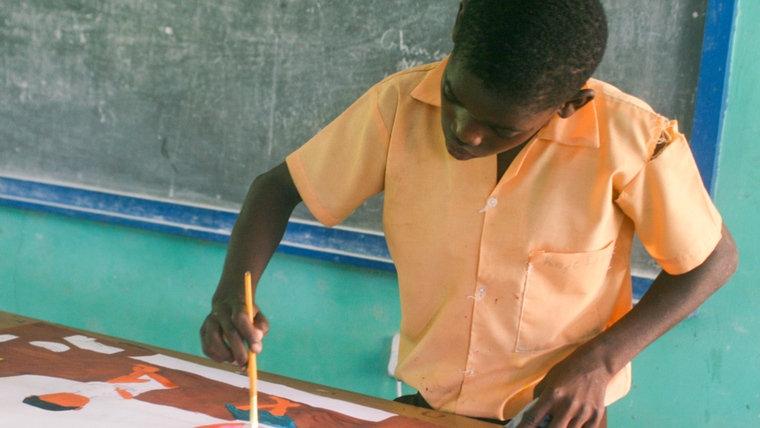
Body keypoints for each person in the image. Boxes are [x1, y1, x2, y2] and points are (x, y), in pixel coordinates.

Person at [200, 1, 739, 427]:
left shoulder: (632, 140)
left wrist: (600, 362)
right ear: (458, 26)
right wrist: (230, 296)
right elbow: (276, 190)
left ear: (567, 106)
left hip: (551, 415)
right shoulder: (399, 106)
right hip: (429, 407)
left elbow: (712, 261)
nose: (465, 131)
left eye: (502, 128)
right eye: (454, 96)